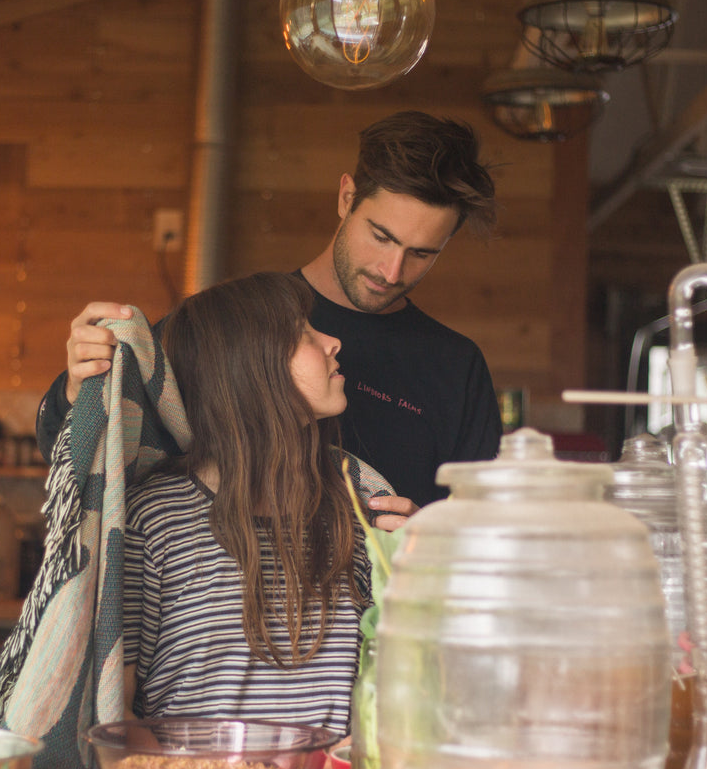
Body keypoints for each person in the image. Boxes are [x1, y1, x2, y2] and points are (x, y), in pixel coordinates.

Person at [37, 110, 503, 510]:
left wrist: (428, 540)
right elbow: (80, 454)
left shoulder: (456, 367)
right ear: (346, 197)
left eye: (422, 253)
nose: (393, 270)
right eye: (381, 236)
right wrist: (79, 387)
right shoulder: (242, 320)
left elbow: (485, 534)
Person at [122, 272, 390, 732]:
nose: (333, 342)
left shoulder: (361, 501)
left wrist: (426, 572)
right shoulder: (153, 519)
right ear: (249, 369)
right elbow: (114, 716)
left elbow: (393, 694)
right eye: (303, 335)